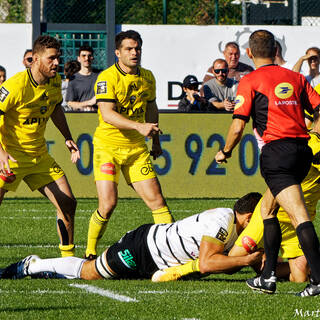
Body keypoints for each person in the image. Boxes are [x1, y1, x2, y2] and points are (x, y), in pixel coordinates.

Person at [214, 29, 320, 297]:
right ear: (276, 51)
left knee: (299, 216)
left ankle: (318, 280)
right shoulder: (296, 78)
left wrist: (224, 151)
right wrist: (316, 130)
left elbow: (238, 126)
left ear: (249, 53)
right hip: (301, 151)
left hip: (277, 155)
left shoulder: (250, 80)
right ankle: (268, 276)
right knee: (267, 211)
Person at [0, 192, 263, 281]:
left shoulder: (232, 228)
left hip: (159, 259)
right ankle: (31, 265)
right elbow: (207, 263)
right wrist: (246, 260)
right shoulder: (223, 221)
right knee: (90, 272)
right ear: (249, 217)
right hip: (143, 247)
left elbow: (219, 265)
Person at [84, 30, 174, 260]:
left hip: (136, 150)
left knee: (157, 201)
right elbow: (107, 114)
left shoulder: (147, 77)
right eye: (128, 49)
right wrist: (138, 126)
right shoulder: (107, 77)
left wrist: (155, 139)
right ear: (117, 53)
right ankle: (90, 250)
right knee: (108, 203)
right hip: (108, 148)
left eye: (137, 49)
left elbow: (151, 108)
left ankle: (172, 252)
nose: (134, 53)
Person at [0, 35, 80, 258]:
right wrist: (1, 153)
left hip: (39, 157)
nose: (56, 63)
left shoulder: (55, 81)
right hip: (11, 157)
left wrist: (67, 137)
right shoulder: (15, 86)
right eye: (51, 58)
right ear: (34, 59)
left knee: (68, 204)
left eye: (58, 58)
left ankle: (68, 259)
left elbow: (55, 108)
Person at [66, 45, 98, 112]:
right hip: (80, 115)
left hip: (99, 113)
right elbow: (70, 103)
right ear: (79, 59)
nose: (87, 58)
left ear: (92, 58)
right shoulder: (73, 79)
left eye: (89, 56)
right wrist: (89, 103)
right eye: (83, 56)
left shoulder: (100, 76)